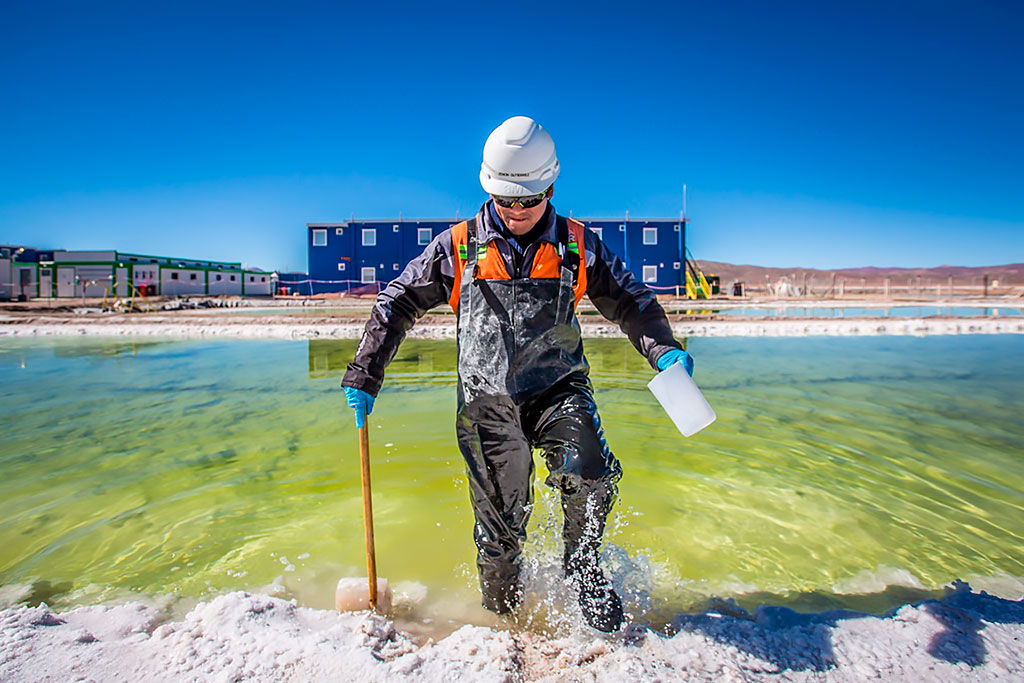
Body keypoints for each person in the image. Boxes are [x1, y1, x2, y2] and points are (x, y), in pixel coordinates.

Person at [342, 116, 693, 632]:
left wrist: (662, 349)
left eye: (529, 199)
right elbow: (397, 302)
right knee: (500, 533)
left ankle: (584, 570)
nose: (518, 211)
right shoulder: (459, 247)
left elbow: (630, 300)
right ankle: (503, 619)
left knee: (590, 473)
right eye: (508, 201)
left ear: (550, 187)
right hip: (487, 403)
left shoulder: (578, 245)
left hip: (559, 391)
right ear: (490, 190)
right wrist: (365, 373)